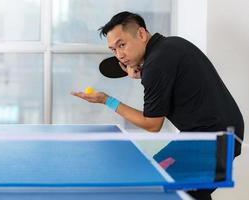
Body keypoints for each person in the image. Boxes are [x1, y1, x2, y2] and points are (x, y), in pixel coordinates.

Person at [71, 11, 244, 200]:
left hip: (213, 140)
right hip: (214, 132)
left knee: (157, 187)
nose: (120, 55)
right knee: (179, 188)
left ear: (142, 34)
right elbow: (168, 79)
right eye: (114, 49)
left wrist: (107, 100)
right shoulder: (171, 45)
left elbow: (152, 125)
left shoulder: (156, 65)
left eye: (122, 44)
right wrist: (143, 73)